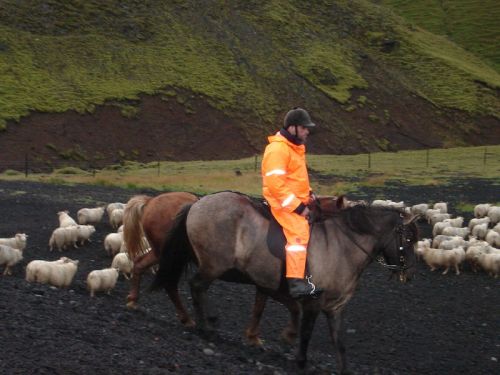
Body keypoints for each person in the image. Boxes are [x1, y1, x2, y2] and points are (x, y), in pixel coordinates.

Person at [261, 107, 323, 299]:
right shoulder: (278, 149)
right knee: (299, 232)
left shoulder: (294, 148)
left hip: (293, 197)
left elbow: (297, 179)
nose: (307, 132)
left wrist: (309, 194)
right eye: (304, 128)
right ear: (293, 127)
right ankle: (295, 283)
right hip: (280, 201)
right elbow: (275, 185)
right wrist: (298, 207)